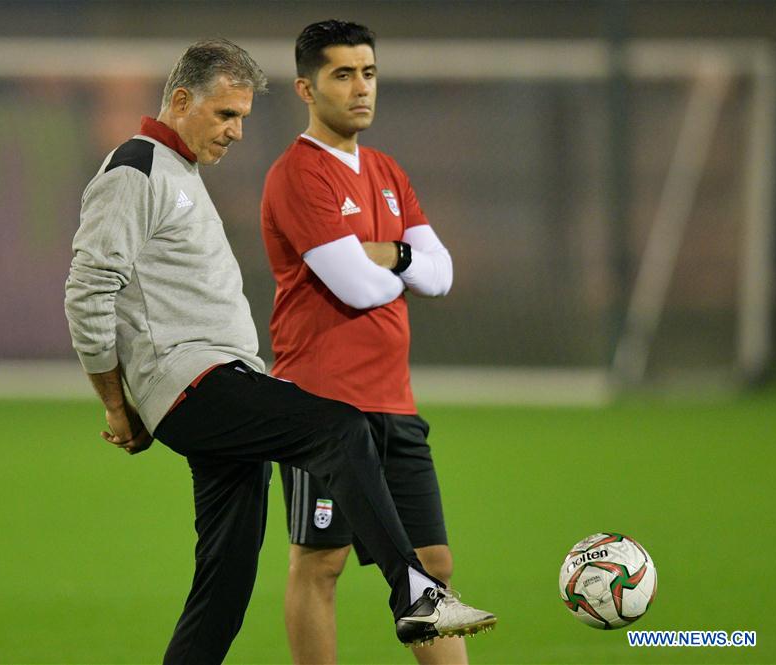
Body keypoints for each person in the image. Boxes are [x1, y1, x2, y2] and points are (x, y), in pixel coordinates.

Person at [64, 38, 495, 665]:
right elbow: (87, 289)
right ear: (181, 100)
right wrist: (114, 403)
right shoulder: (137, 169)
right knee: (340, 429)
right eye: (225, 115)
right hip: (195, 383)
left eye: (242, 117)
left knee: (226, 587)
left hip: (215, 382)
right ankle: (415, 595)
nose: (238, 132)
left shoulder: (175, 170)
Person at [261, 21, 491, 665]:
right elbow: (357, 289)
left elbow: (441, 276)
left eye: (368, 73)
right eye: (342, 74)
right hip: (322, 407)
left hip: (394, 401)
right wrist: (404, 259)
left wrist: (384, 252)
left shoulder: (387, 170)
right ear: (306, 88)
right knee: (321, 564)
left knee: (434, 563)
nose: (361, 88)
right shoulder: (298, 176)